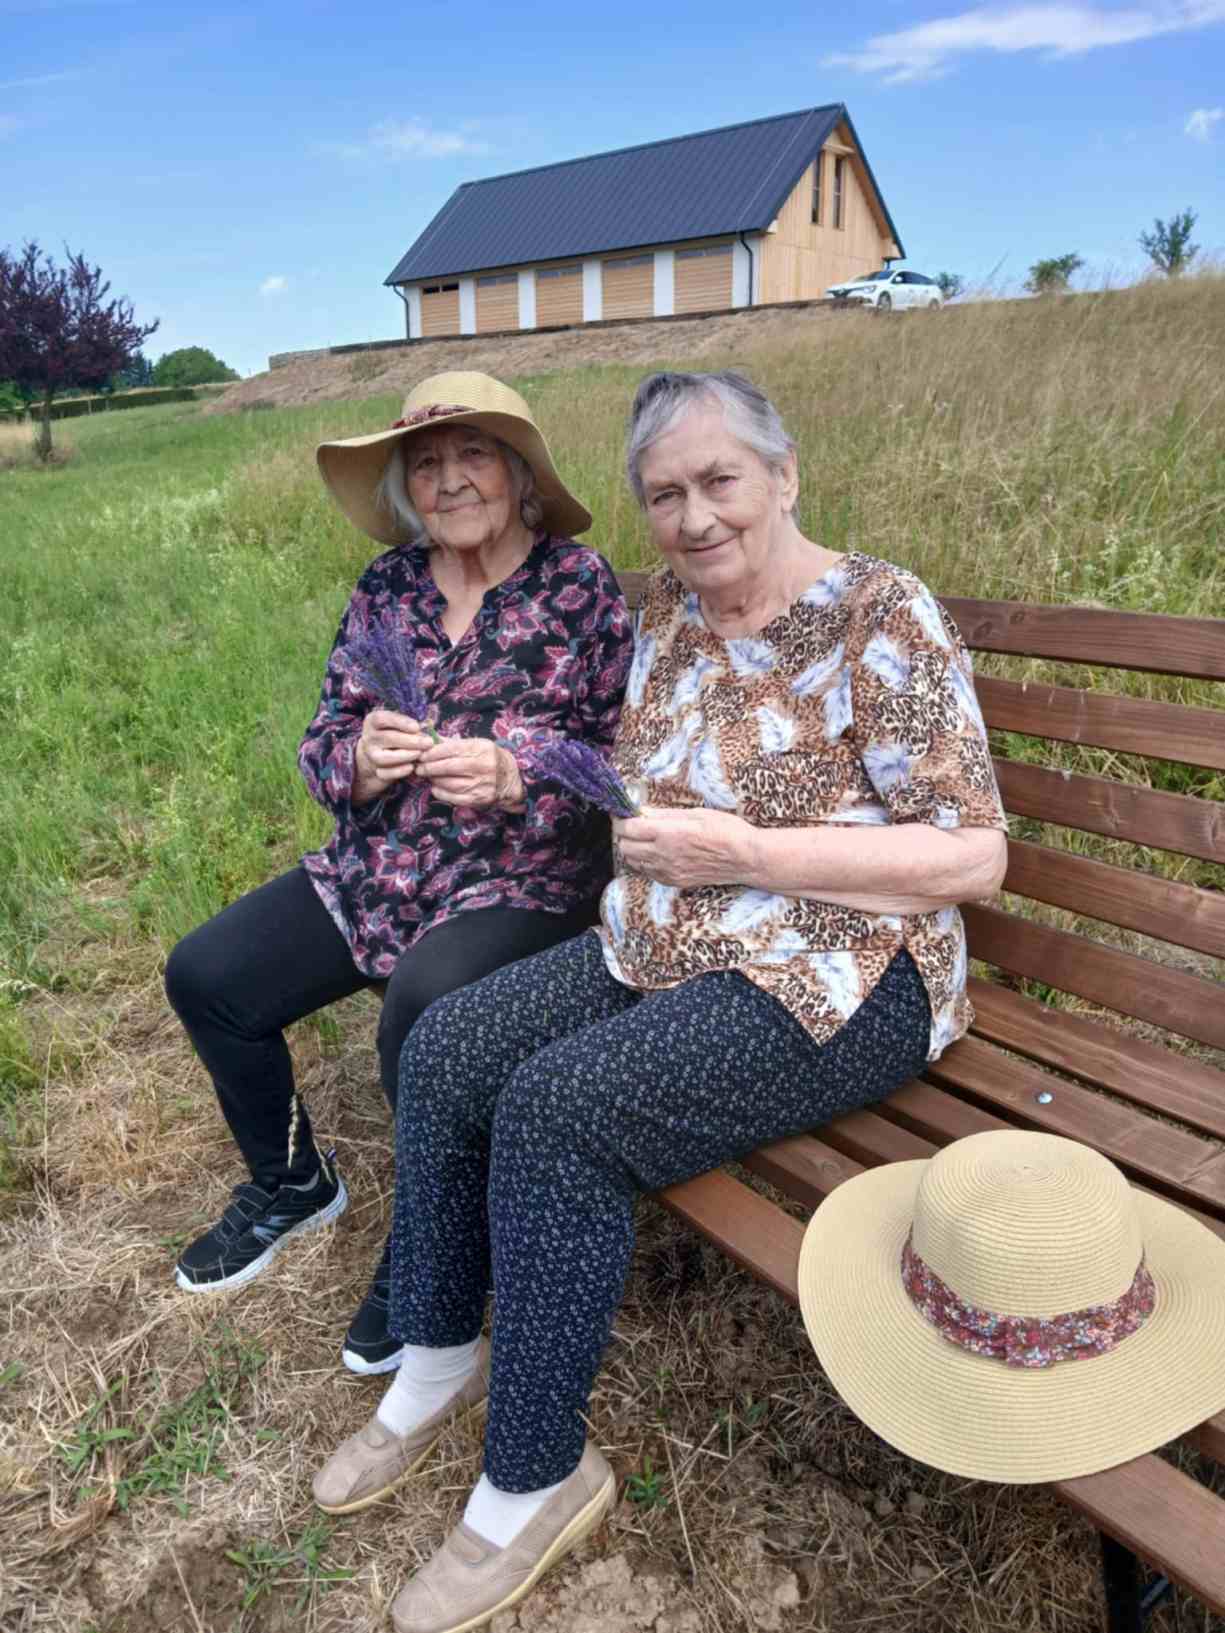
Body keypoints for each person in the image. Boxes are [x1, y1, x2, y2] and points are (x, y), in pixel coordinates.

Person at [311, 369, 1009, 1633]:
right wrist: (520, 770)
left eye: (719, 481)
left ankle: (535, 1476)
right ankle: (438, 1351)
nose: (693, 517)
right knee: (452, 1042)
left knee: (559, 1107)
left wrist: (746, 852)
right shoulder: (675, 621)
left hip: (848, 969)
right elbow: (622, 779)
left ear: (782, 476)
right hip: (669, 939)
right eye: (665, 495)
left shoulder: (878, 610)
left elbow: (971, 856)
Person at [164, 371, 632, 1377]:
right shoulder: (387, 589)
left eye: (472, 455)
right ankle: (292, 1182)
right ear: (406, 489)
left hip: (520, 881)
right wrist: (359, 760)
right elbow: (323, 739)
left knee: (423, 1003)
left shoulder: (580, 587)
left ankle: (431, 1244)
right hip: (375, 869)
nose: (448, 479)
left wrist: (518, 775)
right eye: (425, 464)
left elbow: (626, 765)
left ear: (519, 474)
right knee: (206, 976)